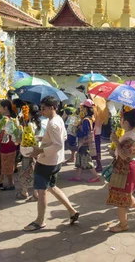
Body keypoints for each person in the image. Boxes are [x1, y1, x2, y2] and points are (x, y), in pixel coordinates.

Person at [24, 96, 79, 231]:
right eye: (41, 108)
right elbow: (63, 137)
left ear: (52, 108)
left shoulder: (53, 123)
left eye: (44, 108)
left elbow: (58, 144)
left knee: (42, 191)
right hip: (55, 161)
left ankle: (40, 221)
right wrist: (44, 138)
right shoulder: (58, 119)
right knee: (52, 187)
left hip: (47, 162)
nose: (41, 111)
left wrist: (39, 150)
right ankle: (72, 211)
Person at [106, 109, 135, 233]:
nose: (119, 121)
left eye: (121, 119)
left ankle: (123, 224)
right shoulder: (130, 134)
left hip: (126, 169)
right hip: (125, 168)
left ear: (125, 122)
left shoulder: (130, 135)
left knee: (121, 198)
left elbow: (125, 155)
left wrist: (115, 141)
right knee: (126, 196)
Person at [70, 99, 101, 183]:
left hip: (84, 142)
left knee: (87, 160)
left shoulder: (86, 120)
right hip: (86, 142)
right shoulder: (91, 118)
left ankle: (96, 176)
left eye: (83, 107)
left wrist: (76, 131)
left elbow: (85, 132)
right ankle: (78, 176)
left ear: (86, 108)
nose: (82, 109)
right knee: (79, 158)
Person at [0, 101, 20, 191]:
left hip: (7, 144)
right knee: (5, 163)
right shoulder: (12, 118)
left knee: (7, 164)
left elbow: (4, 134)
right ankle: (1, 181)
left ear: (5, 108)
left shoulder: (6, 119)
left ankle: (11, 184)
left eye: (0, 107)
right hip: (10, 144)